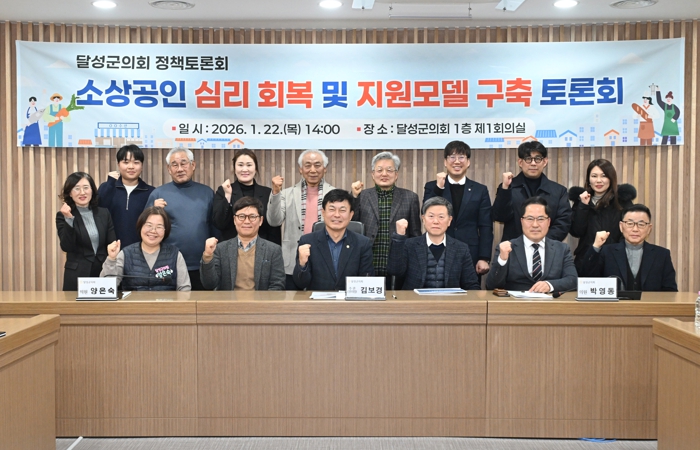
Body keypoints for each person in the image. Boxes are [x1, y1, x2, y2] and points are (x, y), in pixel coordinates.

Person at [146, 148, 217, 290]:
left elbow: (215, 227)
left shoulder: (207, 193)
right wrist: (153, 210)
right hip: (166, 264)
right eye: (174, 165)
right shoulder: (158, 194)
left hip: (201, 263)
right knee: (167, 302)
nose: (179, 169)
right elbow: (145, 230)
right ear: (169, 169)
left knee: (201, 302)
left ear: (193, 165)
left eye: (184, 163)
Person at [267, 149, 336, 289]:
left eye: (317, 165)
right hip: (293, 258)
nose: (312, 170)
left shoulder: (335, 194)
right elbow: (274, 221)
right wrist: (275, 193)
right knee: (293, 300)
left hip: (325, 257)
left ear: (325, 169)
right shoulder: (287, 193)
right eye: (308, 165)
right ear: (300, 169)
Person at [423, 140, 493, 277]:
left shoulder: (480, 190)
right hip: (438, 250)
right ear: (445, 162)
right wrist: (439, 188)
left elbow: (485, 225)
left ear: (468, 162)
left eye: (461, 157)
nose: (457, 161)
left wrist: (484, 257)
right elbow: (426, 213)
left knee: (470, 288)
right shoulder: (433, 186)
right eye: (452, 157)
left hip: (470, 253)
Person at [351, 151, 420, 287]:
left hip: (398, 264)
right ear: (372, 174)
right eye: (379, 170)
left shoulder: (410, 197)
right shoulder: (362, 196)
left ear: (396, 174)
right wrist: (353, 197)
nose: (384, 174)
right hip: (367, 263)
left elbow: (415, 235)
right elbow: (352, 226)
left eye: (389, 170)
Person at [387, 196, 480, 291]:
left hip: (450, 300)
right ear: (423, 219)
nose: (436, 221)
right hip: (415, 299)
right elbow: (394, 270)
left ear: (449, 221)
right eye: (431, 216)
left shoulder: (461, 248)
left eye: (441, 217)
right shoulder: (409, 245)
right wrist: (399, 236)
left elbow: (471, 284)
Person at [486, 197, 577, 293]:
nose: (535, 225)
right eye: (530, 219)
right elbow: (491, 285)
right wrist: (502, 261)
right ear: (522, 221)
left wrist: (550, 285)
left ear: (548, 222)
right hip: (515, 301)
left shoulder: (561, 249)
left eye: (541, 219)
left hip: (550, 301)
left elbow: (573, 281)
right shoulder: (507, 248)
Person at [580, 204, 677, 291]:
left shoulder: (662, 255)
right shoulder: (606, 252)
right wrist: (596, 246)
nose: (635, 229)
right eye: (630, 224)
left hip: (650, 305)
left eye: (641, 224)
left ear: (649, 229)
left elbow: (670, 291)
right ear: (621, 226)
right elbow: (588, 280)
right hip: (615, 305)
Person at [292, 189, 374, 291]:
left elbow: (367, 281)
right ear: (323, 212)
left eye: (342, 210)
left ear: (351, 215)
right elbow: (300, 284)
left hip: (349, 299)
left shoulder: (362, 244)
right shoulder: (307, 241)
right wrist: (302, 264)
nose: (337, 215)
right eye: (332, 209)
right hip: (317, 300)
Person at [492, 141, 571, 242]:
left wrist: (542, 243)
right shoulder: (508, 187)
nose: (533, 163)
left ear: (545, 162)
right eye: (528, 159)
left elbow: (563, 223)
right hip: (514, 248)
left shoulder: (559, 191)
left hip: (547, 248)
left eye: (537, 159)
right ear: (520, 162)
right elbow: (499, 217)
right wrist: (505, 189)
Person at [201, 197, 285, 291]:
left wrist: (261, 301)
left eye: (252, 217)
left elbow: (277, 285)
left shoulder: (273, 250)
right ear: (234, 220)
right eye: (241, 216)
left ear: (261, 220)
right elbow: (209, 284)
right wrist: (207, 256)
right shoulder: (220, 249)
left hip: (260, 300)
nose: (247, 221)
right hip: (229, 300)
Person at [568, 159, 636, 274]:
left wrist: (618, 251)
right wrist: (583, 206)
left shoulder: (622, 201)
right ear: (588, 179)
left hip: (616, 260)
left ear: (611, 178)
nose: (598, 180)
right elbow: (576, 231)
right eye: (594, 176)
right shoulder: (582, 200)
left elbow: (629, 230)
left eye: (604, 176)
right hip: (587, 259)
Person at [100, 206, 191, 291]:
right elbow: (106, 287)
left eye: (159, 227)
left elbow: (184, 289)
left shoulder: (175, 254)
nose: (153, 231)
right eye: (149, 225)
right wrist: (111, 259)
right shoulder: (125, 254)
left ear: (165, 230)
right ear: (141, 226)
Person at [55, 172, 116, 291]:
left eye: (86, 187)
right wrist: (69, 219)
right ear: (70, 193)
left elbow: (111, 243)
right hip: (77, 274)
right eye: (76, 188)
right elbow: (67, 246)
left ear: (92, 190)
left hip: (102, 272)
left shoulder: (104, 213)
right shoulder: (63, 216)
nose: (82, 192)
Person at [212, 149, 281, 245]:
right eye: (240, 165)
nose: (245, 169)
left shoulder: (267, 193)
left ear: (255, 168)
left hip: (262, 248)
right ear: (234, 169)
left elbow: (273, 228)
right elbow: (219, 224)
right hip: (231, 248)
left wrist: (273, 250)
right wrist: (228, 196)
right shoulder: (223, 190)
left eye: (249, 165)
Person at [97, 144, 155, 248]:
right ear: (118, 165)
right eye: (126, 162)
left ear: (142, 166)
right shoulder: (106, 188)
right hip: (111, 250)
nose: (131, 167)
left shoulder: (151, 192)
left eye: (136, 162)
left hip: (141, 251)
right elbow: (98, 214)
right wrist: (109, 185)